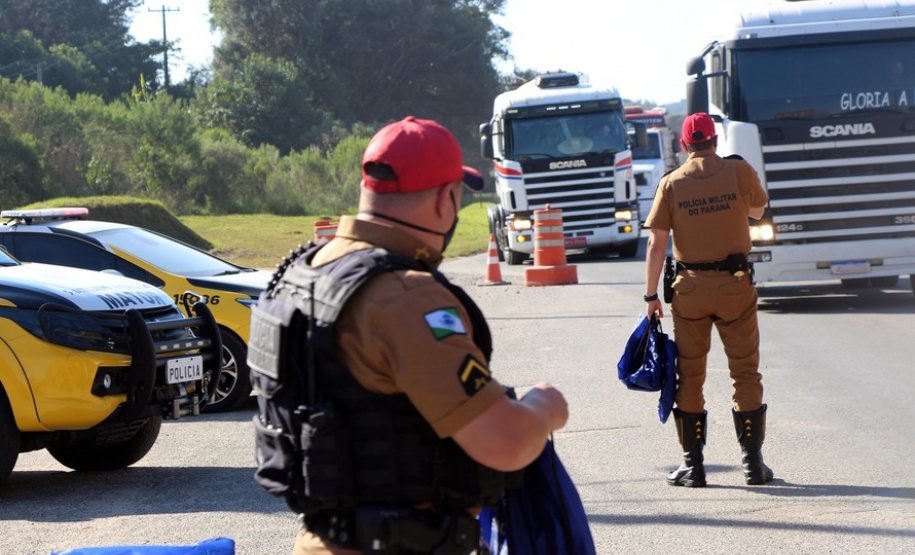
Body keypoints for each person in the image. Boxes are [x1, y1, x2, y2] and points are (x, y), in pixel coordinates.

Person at [249, 116, 569, 554]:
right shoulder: (406, 295)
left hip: (320, 538)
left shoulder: (305, 271)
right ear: (444, 201)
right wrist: (544, 407)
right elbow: (507, 442)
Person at [642, 112, 773, 488]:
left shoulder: (671, 183)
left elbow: (656, 243)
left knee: (690, 375)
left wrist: (651, 295)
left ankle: (693, 466)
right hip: (734, 285)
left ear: (685, 145)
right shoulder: (738, 170)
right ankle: (752, 464)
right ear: (715, 140)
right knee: (745, 371)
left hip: (690, 290)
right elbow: (758, 209)